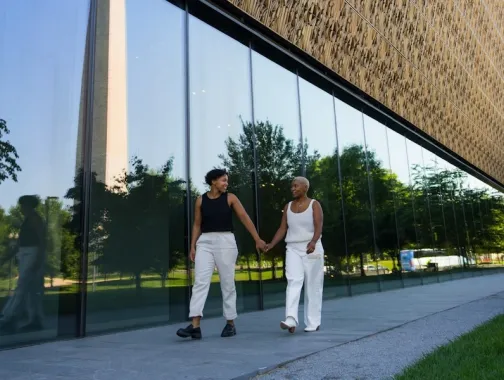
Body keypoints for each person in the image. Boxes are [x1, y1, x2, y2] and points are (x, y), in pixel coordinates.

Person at [177, 169, 266, 340]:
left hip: (225, 241)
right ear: (213, 181)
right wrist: (193, 246)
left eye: (227, 181)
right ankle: (195, 325)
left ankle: (230, 323)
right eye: (224, 180)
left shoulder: (230, 198)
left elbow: (244, 218)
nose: (226, 183)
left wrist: (257, 239)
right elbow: (197, 224)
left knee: (227, 282)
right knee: (200, 282)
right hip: (205, 242)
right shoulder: (200, 200)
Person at [266, 177, 324, 333]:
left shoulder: (314, 204)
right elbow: (282, 228)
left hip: (312, 247)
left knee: (313, 285)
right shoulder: (288, 206)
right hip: (292, 248)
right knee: (293, 281)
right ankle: (291, 319)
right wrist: (272, 243)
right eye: (292, 186)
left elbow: (319, 226)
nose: (293, 188)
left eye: (296, 186)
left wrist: (313, 241)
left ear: (305, 187)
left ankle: (313, 322)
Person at [0, 195, 46, 334]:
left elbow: (42, 240)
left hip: (32, 253)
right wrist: (6, 257)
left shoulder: (35, 219)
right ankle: (35, 319)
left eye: (23, 205)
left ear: (29, 205)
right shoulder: (27, 221)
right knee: (31, 289)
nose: (21, 208)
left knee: (21, 285)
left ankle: (7, 316)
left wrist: (38, 259)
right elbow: (19, 243)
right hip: (25, 253)